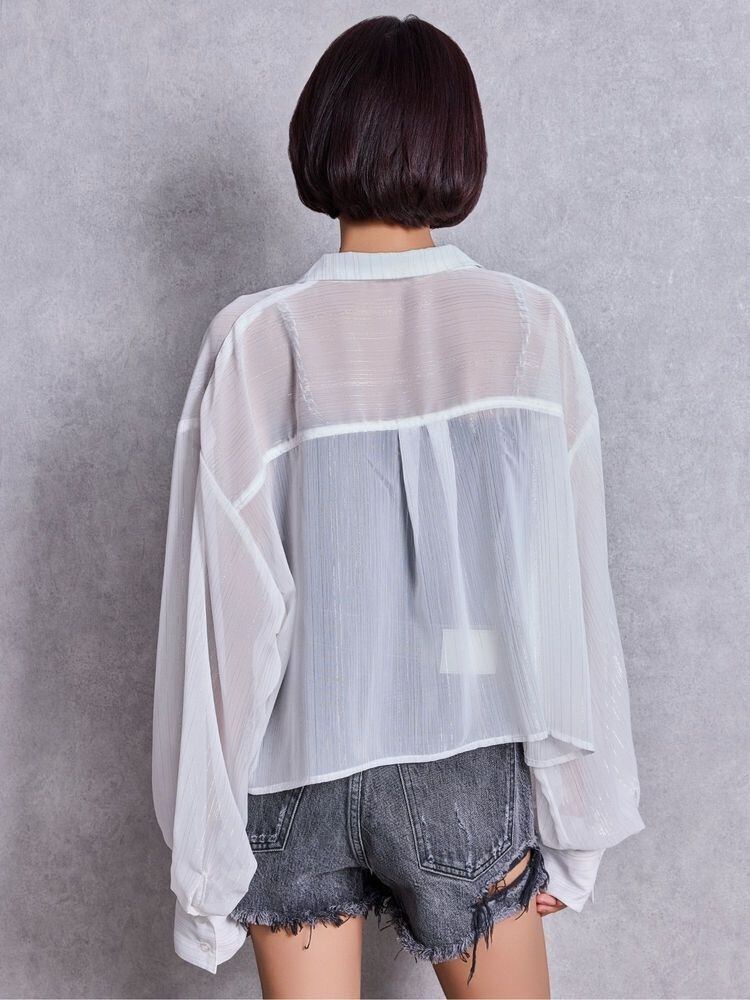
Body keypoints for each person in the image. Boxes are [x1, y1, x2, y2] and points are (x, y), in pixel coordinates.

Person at [151, 14, 645, 1000]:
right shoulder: (528, 327)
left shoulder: (259, 338)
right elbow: (561, 594)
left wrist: (203, 869)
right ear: (458, 147)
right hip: (464, 758)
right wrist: (574, 821)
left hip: (292, 768)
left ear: (319, 137)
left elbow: (225, 619)